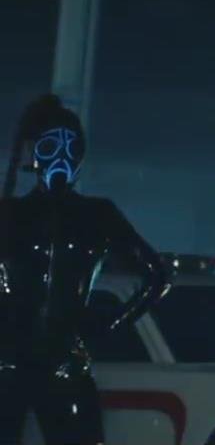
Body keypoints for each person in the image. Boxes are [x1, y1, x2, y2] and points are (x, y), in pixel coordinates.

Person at [0, 95, 172, 445]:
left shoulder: (97, 214)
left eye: (72, 147)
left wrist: (104, 326)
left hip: (61, 364)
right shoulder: (11, 213)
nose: (61, 158)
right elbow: (157, 276)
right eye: (51, 146)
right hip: (12, 364)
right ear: (34, 152)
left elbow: (157, 276)